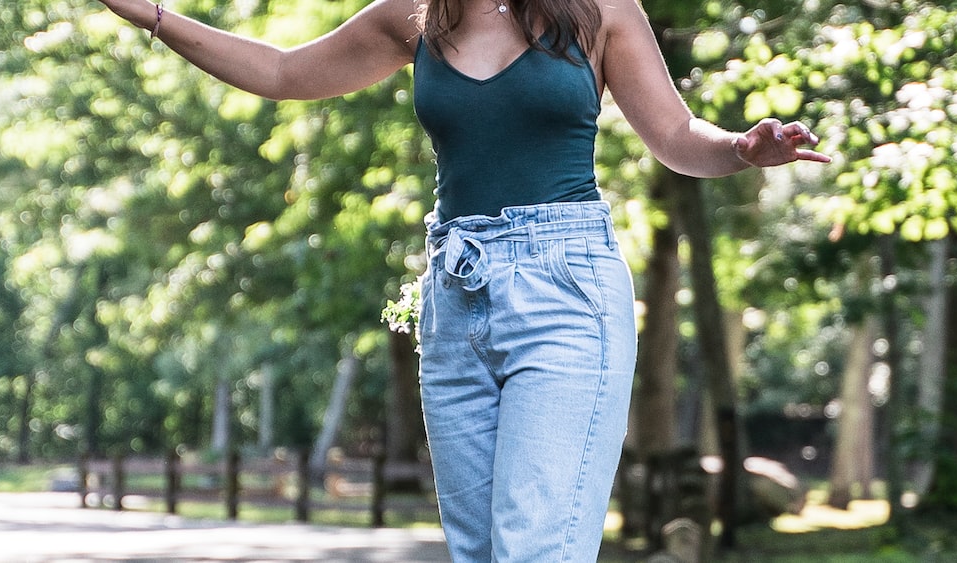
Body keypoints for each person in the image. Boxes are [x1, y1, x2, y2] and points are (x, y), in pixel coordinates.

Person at [95, 0, 830, 560]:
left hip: (565, 291)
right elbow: (284, 72)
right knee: (478, 551)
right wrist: (154, 15)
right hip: (455, 294)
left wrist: (740, 147)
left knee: (532, 546)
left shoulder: (600, 10)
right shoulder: (417, 16)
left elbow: (674, 136)